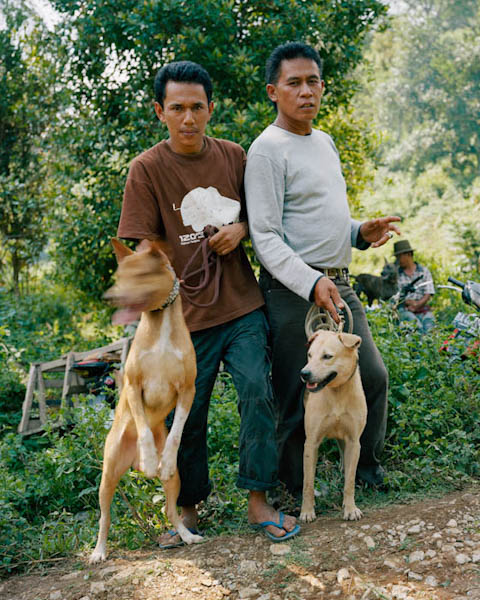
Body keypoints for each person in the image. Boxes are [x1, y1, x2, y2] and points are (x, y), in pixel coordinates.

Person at [117, 60, 299, 544]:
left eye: (198, 107)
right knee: (186, 414)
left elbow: (263, 219)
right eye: (177, 108)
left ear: (211, 108)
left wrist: (240, 229)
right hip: (182, 319)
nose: (189, 118)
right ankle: (188, 509)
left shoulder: (235, 157)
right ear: (160, 111)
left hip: (241, 305)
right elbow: (140, 246)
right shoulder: (147, 169)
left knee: (257, 393)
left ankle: (259, 501)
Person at [244, 42, 401, 501]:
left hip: (340, 284)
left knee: (371, 375)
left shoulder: (325, 141)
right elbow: (266, 236)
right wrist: (310, 282)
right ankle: (295, 493)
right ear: (274, 91)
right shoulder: (267, 150)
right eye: (294, 83)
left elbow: (317, 216)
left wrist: (358, 232)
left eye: (313, 81)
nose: (306, 91)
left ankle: (365, 470)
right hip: (295, 292)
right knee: (298, 395)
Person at [394, 239, 435, 333]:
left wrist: (417, 305)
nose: (397, 260)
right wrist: (408, 302)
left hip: (423, 308)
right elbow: (396, 297)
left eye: (399, 257)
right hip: (405, 310)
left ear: (408, 254)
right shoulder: (397, 275)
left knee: (430, 326)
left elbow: (428, 293)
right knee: (416, 327)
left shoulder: (423, 271)